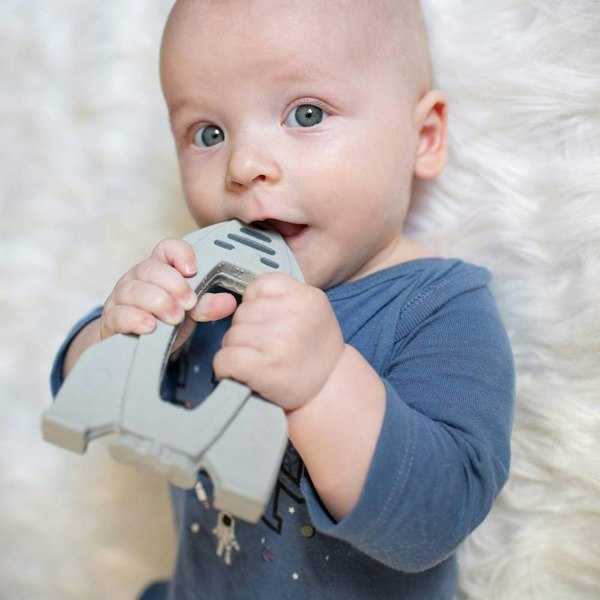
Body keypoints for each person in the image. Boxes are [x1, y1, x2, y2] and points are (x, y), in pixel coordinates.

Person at [50, 1, 515, 598]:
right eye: (208, 133)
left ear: (423, 137)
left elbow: (434, 520)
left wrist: (321, 384)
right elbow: (78, 397)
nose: (244, 165)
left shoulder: (439, 309)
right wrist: (120, 334)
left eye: (306, 112)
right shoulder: (208, 289)